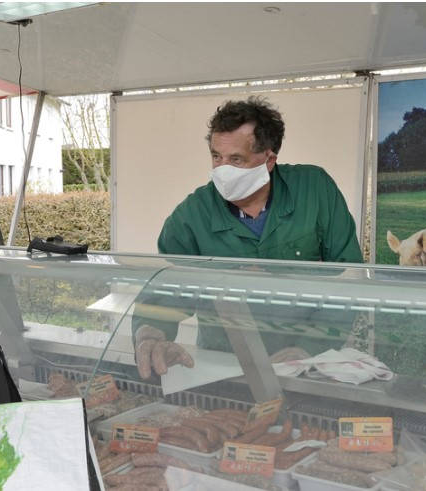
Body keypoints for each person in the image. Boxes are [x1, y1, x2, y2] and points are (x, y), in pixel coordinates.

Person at [134, 96, 363, 379]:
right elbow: (166, 291)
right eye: (216, 157)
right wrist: (150, 335)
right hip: (221, 367)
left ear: (269, 159)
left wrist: (309, 348)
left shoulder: (315, 190)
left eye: (236, 160)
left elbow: (349, 281)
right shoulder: (191, 215)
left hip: (303, 365)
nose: (222, 170)